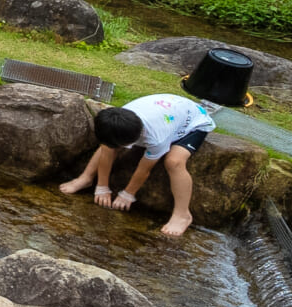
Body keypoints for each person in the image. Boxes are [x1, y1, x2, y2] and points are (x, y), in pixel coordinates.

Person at [59, 94, 214, 238]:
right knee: (108, 144)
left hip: (192, 123)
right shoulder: (118, 119)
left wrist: (128, 194)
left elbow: (144, 169)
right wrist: (102, 186)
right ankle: (86, 178)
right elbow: (107, 149)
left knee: (174, 162)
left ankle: (182, 214)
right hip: (168, 112)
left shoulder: (156, 137)